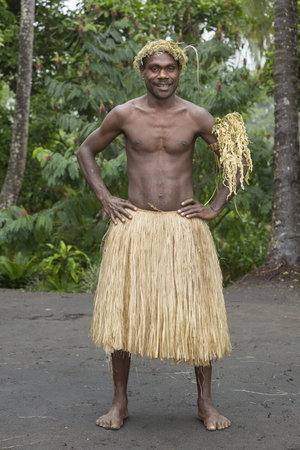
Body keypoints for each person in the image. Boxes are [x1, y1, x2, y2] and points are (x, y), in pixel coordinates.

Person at [77, 40, 250, 432]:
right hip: (134, 227)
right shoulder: (124, 114)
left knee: (198, 313)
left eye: (169, 68)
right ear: (143, 71)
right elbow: (86, 151)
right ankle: (119, 403)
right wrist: (105, 198)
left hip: (183, 229)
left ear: (179, 71)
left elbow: (236, 160)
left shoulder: (196, 116)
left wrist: (215, 206)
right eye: (155, 68)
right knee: (122, 314)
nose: (162, 75)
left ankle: (205, 404)